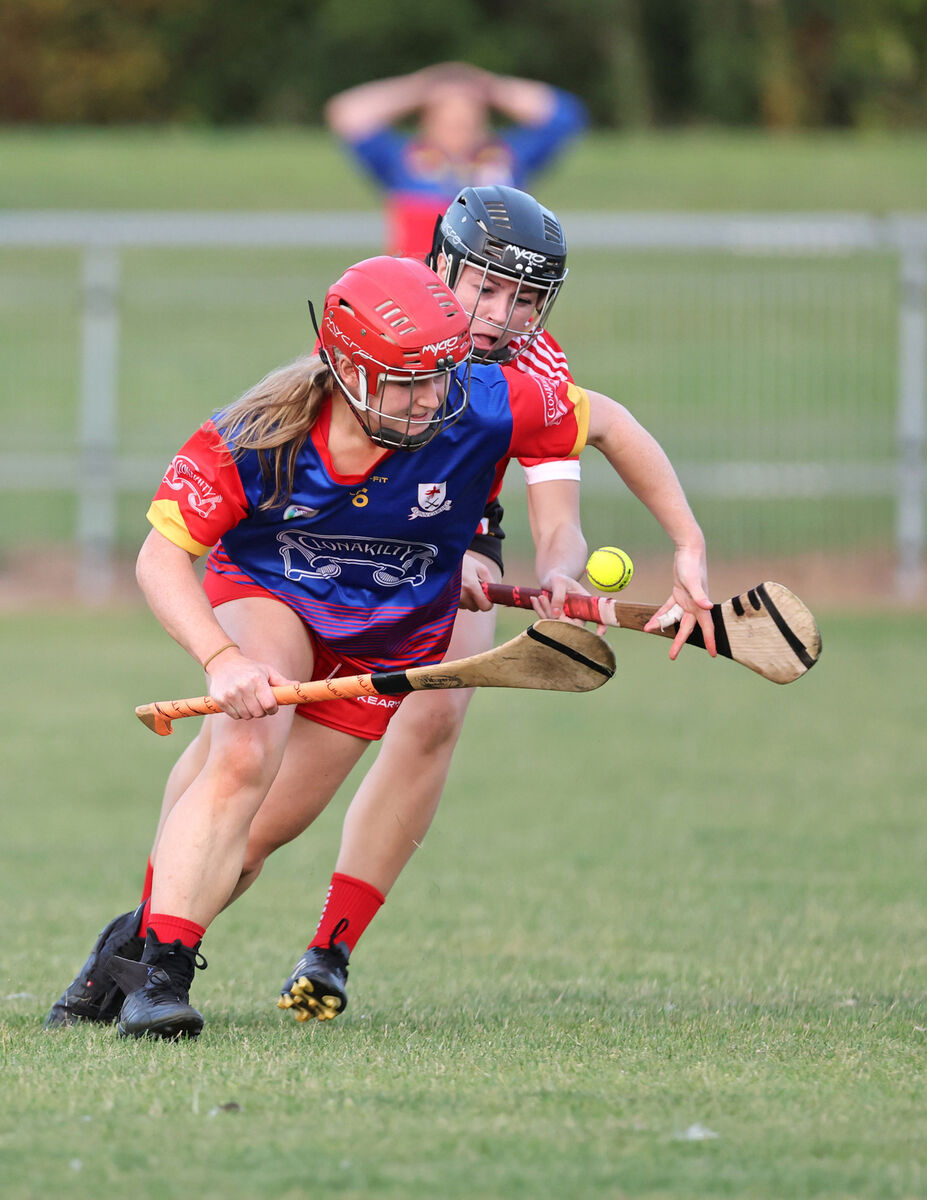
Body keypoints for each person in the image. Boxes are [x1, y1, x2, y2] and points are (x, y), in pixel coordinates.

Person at [45, 192, 715, 1036]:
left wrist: (671, 549)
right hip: (273, 589)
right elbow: (158, 556)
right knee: (244, 746)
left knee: (254, 840)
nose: (432, 397)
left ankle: (128, 948)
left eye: (441, 377)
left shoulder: (485, 392)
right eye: (408, 383)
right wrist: (222, 661)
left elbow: (604, 428)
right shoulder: (255, 435)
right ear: (353, 371)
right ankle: (161, 982)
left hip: (396, 618)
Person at [324, 62, 587, 258]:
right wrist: (423, 87)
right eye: (446, 114)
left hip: (492, 293)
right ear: (427, 119)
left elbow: (565, 116)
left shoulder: (507, 157)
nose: (458, 123)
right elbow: (348, 114)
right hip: (418, 296)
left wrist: (489, 87)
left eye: (468, 113)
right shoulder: (402, 159)